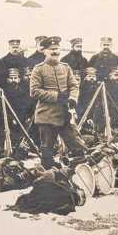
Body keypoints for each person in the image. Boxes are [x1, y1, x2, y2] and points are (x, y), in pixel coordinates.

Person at [30, 36, 86, 169]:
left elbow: (74, 85)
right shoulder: (38, 69)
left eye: (57, 49)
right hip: (46, 115)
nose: (55, 52)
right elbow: (34, 91)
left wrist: (72, 98)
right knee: (47, 148)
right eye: (51, 49)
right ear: (44, 51)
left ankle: (79, 169)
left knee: (75, 143)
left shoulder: (66, 68)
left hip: (64, 113)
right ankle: (49, 174)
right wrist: (56, 96)